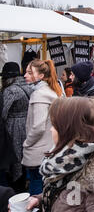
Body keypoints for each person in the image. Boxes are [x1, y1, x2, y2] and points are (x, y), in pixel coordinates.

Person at [23, 97, 94, 212]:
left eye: (55, 125)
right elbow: (71, 195)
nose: (51, 130)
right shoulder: (73, 161)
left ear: (70, 130)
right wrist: (41, 200)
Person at [22, 59, 62, 196]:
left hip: (39, 150)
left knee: (37, 185)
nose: (25, 75)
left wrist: (27, 143)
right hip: (49, 148)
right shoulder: (50, 91)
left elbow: (38, 127)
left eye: (29, 72)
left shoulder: (39, 94)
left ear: (41, 76)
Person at [0, 62, 34, 192]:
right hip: (27, 123)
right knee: (25, 154)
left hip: (14, 126)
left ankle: (16, 184)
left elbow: (3, 112)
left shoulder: (10, 90)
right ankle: (24, 180)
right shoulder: (29, 86)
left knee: (15, 156)